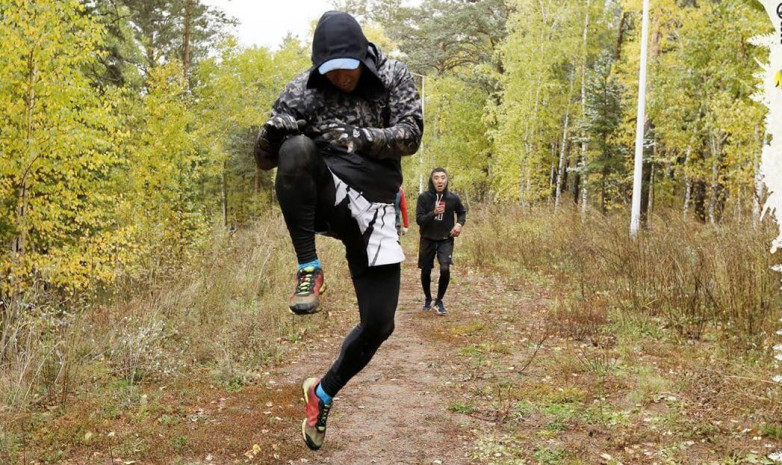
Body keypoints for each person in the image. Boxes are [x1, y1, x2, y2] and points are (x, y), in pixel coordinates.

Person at [253, 11, 423, 451]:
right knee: (295, 147)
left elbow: (411, 135)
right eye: (330, 72)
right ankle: (308, 267)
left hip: (378, 208)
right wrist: (270, 137)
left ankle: (322, 393)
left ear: (362, 57)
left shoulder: (393, 75)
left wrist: (358, 136)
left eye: (347, 69)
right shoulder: (302, 88)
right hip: (329, 199)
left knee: (380, 323)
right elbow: (265, 161)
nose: (341, 78)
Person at [416, 168, 467, 315]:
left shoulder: (453, 198)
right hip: (427, 239)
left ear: (446, 180)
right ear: (432, 180)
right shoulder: (424, 198)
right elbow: (419, 220)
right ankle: (427, 298)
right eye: (436, 178)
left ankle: (439, 300)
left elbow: (462, 212)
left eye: (443, 178)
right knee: (426, 270)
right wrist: (434, 213)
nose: (440, 181)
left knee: (445, 268)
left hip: (446, 238)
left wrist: (459, 224)